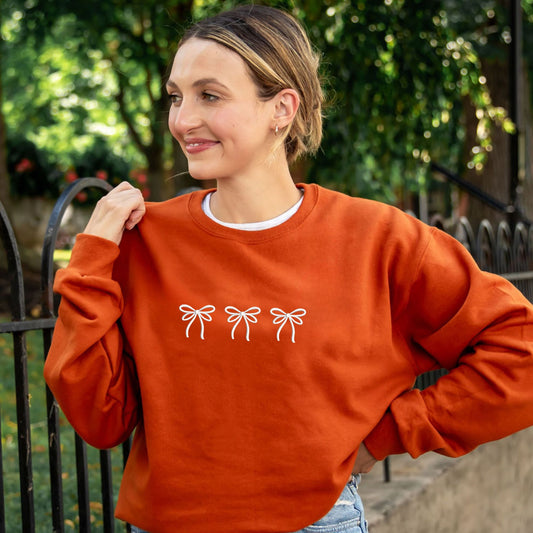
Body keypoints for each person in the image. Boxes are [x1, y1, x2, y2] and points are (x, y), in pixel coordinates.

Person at [43, 4, 533, 533]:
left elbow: (520, 351)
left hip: (316, 522)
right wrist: (92, 257)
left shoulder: (378, 239)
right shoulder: (144, 241)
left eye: (209, 95)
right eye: (177, 96)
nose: (182, 120)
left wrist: (393, 433)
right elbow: (99, 418)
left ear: (282, 108)